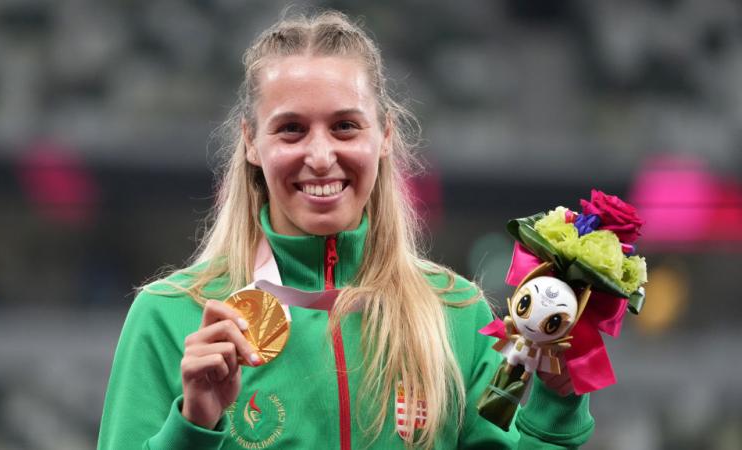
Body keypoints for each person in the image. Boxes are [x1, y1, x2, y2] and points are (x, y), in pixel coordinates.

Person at [97, 10, 594, 450]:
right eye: (291, 128)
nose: (319, 157)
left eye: (345, 127)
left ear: (385, 135)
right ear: (251, 142)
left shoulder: (458, 315)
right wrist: (194, 425)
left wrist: (558, 398)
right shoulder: (169, 318)